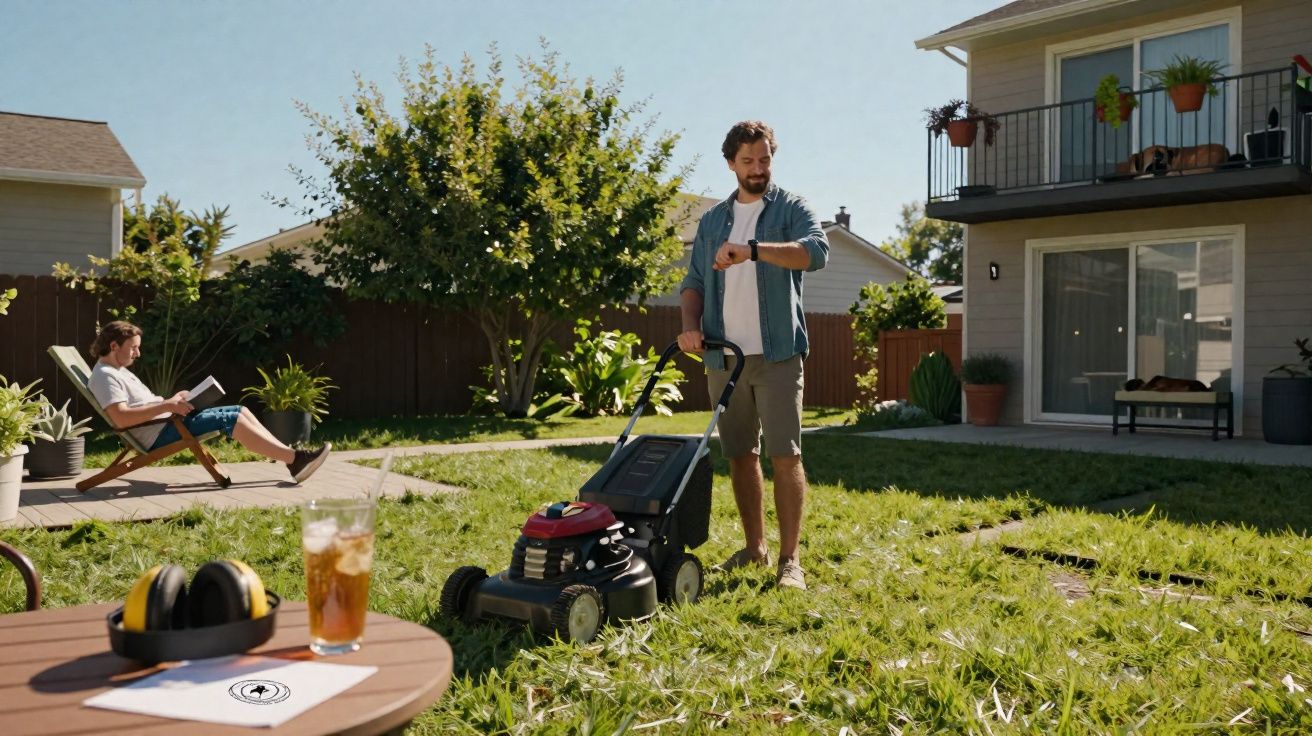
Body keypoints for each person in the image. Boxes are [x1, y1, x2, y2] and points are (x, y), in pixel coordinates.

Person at [677, 120, 829, 590]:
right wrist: (689, 328)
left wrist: (754, 250)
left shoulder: (791, 208)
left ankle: (790, 561)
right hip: (725, 358)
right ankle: (754, 549)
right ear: (730, 164)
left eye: (765, 160)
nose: (758, 169)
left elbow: (816, 252)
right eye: (748, 161)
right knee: (741, 455)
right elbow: (694, 284)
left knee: (786, 455)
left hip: (779, 355)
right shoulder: (712, 221)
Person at [86, 320, 332, 483]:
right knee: (232, 419)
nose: (138, 353)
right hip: (160, 433)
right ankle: (296, 460)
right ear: (114, 345)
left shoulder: (117, 370)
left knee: (241, 410)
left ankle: (293, 459)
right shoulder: (105, 377)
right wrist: (168, 406)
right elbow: (121, 417)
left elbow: (141, 405)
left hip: (167, 422)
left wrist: (173, 399)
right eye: (133, 348)